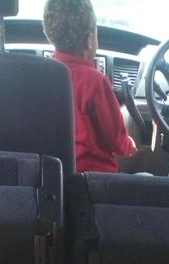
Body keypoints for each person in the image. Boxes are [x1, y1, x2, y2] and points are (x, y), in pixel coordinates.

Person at [43, 0, 136, 173]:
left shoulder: (43, 77)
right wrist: (131, 146)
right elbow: (115, 140)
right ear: (90, 39)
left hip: (55, 178)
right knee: (145, 176)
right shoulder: (95, 81)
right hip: (95, 183)